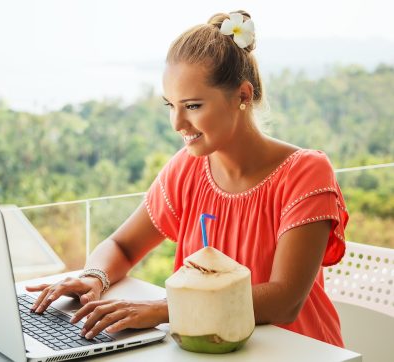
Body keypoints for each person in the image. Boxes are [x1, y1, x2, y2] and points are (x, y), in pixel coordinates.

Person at [27, 10, 348, 347]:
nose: (177, 124)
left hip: (299, 350)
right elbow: (122, 245)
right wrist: (95, 277)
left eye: (193, 106)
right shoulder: (188, 168)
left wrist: (163, 309)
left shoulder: (306, 172)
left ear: (242, 95)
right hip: (207, 351)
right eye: (171, 105)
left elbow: (285, 300)